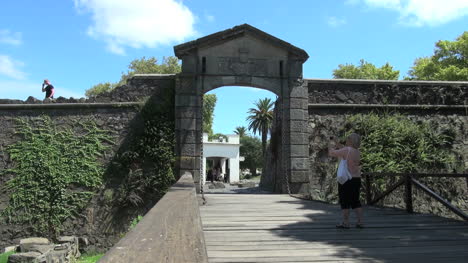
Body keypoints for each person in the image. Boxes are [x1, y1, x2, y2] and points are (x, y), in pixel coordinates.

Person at [328, 133, 363, 229]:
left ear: (351, 141)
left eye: (348, 139)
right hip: (356, 179)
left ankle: (345, 222)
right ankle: (360, 222)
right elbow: (344, 149)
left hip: (346, 180)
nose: (346, 140)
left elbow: (332, 153)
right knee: (356, 201)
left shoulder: (346, 150)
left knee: (345, 201)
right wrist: (337, 142)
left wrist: (331, 144)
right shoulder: (357, 151)